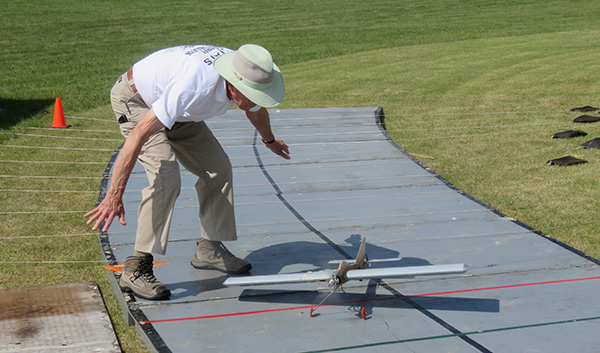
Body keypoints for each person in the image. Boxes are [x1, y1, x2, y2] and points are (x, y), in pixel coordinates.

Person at [84, 44, 290, 300]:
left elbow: (256, 112)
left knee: (218, 169)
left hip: (177, 109)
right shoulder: (195, 87)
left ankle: (209, 249)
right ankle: (136, 268)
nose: (254, 99)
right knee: (166, 177)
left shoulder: (246, 70)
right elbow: (138, 135)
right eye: (251, 93)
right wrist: (114, 195)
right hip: (137, 101)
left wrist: (270, 141)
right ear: (232, 84)